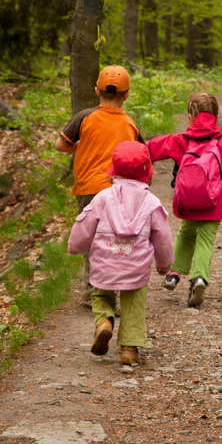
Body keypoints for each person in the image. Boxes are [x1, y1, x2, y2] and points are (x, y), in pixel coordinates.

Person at [67, 141, 174, 365]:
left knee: (100, 294)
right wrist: (164, 264)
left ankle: (104, 322)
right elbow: (163, 237)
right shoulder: (152, 203)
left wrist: (75, 247)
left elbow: (84, 226)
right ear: (148, 173)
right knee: (134, 302)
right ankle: (129, 349)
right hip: (135, 266)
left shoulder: (103, 198)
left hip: (105, 262)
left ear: (113, 170)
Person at [147, 93, 222, 308]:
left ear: (190, 116)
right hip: (214, 202)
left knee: (186, 233)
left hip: (187, 201)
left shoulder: (180, 141)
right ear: (215, 115)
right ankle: (199, 279)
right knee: (205, 239)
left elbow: (148, 149)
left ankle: (174, 273)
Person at [55, 65, 144, 305]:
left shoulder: (85, 116)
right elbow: (140, 155)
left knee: (91, 239)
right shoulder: (130, 123)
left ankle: (90, 289)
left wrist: (81, 146)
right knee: (114, 238)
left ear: (97, 91)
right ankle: (110, 291)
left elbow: (61, 145)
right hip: (120, 190)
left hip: (88, 187)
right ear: (127, 94)